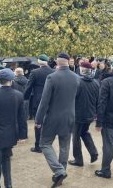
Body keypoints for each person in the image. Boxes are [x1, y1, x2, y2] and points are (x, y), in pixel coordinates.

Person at [35, 53, 80, 187]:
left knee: (44, 143)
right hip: (69, 116)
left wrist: (38, 119)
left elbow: (44, 101)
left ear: (57, 62)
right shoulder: (76, 78)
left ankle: (59, 170)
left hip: (53, 117)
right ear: (68, 62)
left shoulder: (52, 77)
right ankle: (61, 173)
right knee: (64, 146)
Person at [68, 61, 99, 167]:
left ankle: (78, 160)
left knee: (76, 136)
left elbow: (72, 98)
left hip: (78, 115)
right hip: (90, 114)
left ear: (81, 70)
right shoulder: (95, 83)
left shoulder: (78, 82)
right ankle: (93, 153)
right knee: (84, 133)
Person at [24, 54, 54, 152]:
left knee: (38, 122)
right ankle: (47, 143)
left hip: (38, 99)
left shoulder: (35, 72)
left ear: (39, 62)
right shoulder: (53, 72)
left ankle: (38, 145)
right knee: (48, 122)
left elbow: (29, 87)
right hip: (50, 100)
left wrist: (25, 98)